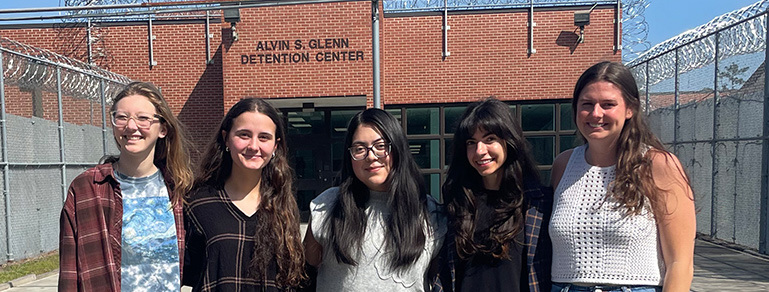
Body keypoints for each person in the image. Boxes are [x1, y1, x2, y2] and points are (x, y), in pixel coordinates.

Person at [549, 61, 696, 292]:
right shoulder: (563, 165)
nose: (596, 114)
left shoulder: (658, 165)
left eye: (608, 104)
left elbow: (680, 263)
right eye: (587, 104)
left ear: (630, 109)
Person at [59, 81, 193, 291]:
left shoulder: (180, 189)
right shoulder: (88, 188)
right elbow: (69, 272)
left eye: (143, 118)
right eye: (121, 117)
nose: (131, 126)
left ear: (163, 129)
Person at [303, 108, 446, 292]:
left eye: (381, 146)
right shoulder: (328, 206)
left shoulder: (430, 213)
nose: (370, 156)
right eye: (359, 149)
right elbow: (304, 276)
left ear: (398, 148)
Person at [183, 98, 305, 291]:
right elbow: (183, 274)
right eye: (244, 135)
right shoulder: (197, 202)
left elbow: (292, 280)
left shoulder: (283, 205)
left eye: (264, 137)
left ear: (275, 146)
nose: (254, 146)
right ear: (226, 138)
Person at [437, 98, 552, 292]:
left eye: (490, 139)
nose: (480, 151)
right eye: (471, 142)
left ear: (509, 141)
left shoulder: (537, 204)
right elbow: (445, 276)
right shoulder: (458, 203)